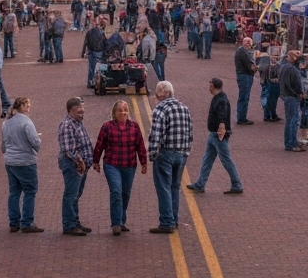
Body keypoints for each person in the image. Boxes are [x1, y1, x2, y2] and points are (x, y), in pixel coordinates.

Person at [94, 100, 148, 235]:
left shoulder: (134, 127)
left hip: (129, 165)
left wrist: (144, 163)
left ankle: (122, 220)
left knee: (125, 193)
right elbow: (99, 145)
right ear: (114, 112)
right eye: (120, 110)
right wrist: (95, 161)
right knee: (116, 191)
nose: (123, 113)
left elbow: (140, 146)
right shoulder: (107, 127)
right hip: (112, 165)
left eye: (125, 110)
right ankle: (116, 223)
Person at [148, 81, 193, 234]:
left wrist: (153, 154)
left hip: (165, 153)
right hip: (181, 153)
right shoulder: (184, 108)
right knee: (175, 187)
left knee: (163, 188)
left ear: (160, 94)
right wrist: (186, 152)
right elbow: (190, 132)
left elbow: (156, 135)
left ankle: (166, 222)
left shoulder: (160, 109)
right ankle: (174, 219)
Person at [187, 78, 244, 195]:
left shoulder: (221, 100)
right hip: (213, 134)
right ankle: (200, 184)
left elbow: (222, 116)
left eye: (210, 86)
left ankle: (237, 183)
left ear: (213, 87)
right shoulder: (219, 98)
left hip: (218, 135)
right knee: (207, 159)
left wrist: (222, 128)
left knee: (226, 160)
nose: (209, 88)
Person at [1, 97, 43, 234]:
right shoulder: (26, 122)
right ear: (23, 106)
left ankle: (14, 222)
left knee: (14, 192)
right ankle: (27, 222)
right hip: (25, 161)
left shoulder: (6, 123)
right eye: (27, 105)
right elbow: (35, 142)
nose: (29, 108)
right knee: (30, 191)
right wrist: (37, 143)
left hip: (10, 161)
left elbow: (3, 146)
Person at [58, 97, 94, 235]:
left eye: (83, 107)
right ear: (70, 110)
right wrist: (81, 162)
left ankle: (75, 222)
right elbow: (69, 150)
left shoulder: (78, 123)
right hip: (73, 165)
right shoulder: (67, 125)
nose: (82, 110)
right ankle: (69, 225)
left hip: (80, 166)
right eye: (78, 108)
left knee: (76, 195)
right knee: (70, 195)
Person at [279, 49, 306, 152]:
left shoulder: (285, 67)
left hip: (287, 95)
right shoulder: (293, 69)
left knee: (290, 120)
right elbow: (296, 84)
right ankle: (291, 143)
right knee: (293, 120)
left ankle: (290, 142)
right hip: (291, 96)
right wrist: (299, 93)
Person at [234, 37, 257, 125]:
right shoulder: (243, 51)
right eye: (250, 44)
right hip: (245, 76)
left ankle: (242, 117)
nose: (250, 47)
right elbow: (249, 66)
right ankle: (241, 118)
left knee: (244, 96)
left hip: (243, 75)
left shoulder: (241, 51)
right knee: (244, 97)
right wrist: (255, 68)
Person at [259, 46, 282, 122]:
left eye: (277, 54)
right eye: (274, 54)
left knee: (274, 99)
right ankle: (267, 115)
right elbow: (262, 68)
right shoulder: (265, 59)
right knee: (268, 99)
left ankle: (273, 114)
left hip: (275, 82)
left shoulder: (279, 62)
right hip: (268, 82)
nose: (275, 56)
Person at [83, 18, 107, 87]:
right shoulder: (101, 33)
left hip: (91, 51)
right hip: (99, 51)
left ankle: (90, 82)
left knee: (91, 68)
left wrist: (84, 52)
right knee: (99, 68)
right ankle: (97, 82)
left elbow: (86, 43)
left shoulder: (89, 32)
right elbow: (105, 42)